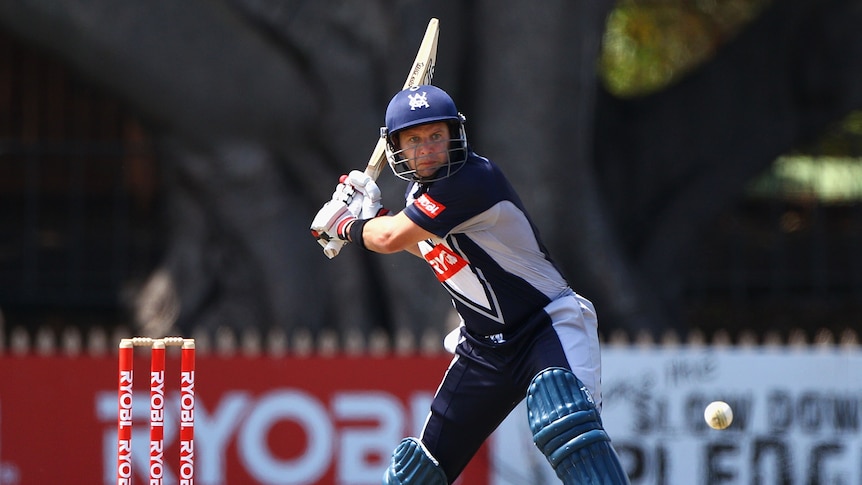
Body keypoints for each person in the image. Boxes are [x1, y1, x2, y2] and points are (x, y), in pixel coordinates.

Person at [311, 85, 630, 485]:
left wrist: (345, 225)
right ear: (397, 148)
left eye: (435, 136)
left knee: (565, 420)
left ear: (454, 136)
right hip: (484, 349)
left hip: (544, 327)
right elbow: (428, 248)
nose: (426, 148)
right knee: (419, 473)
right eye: (414, 140)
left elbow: (391, 239)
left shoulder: (473, 180)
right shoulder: (420, 195)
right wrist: (374, 215)